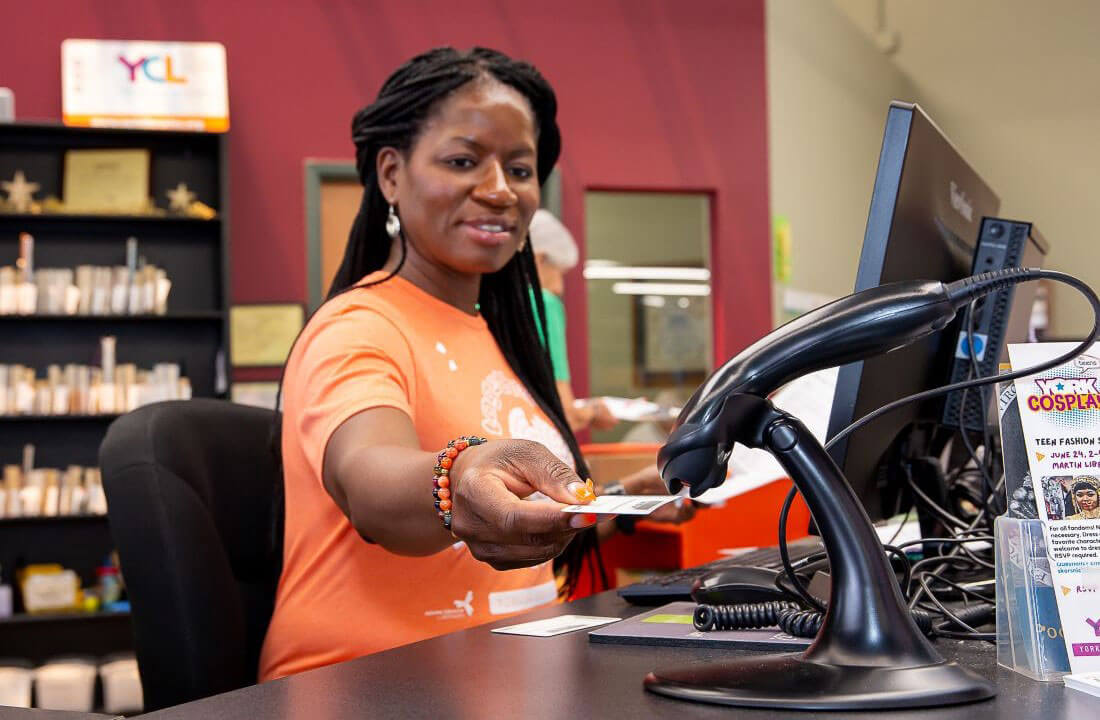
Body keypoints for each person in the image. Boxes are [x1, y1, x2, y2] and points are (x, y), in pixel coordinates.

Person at [259, 47, 605, 682]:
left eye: (520, 168)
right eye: (463, 160)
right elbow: (369, 480)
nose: (501, 189)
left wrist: (611, 504)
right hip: (369, 681)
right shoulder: (358, 327)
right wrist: (462, 472)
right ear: (391, 174)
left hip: (515, 669)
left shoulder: (504, 337)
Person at [527, 208, 617, 432]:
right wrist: (595, 410)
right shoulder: (543, 304)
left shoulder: (481, 305)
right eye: (557, 271)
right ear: (539, 259)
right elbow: (565, 414)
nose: (559, 286)